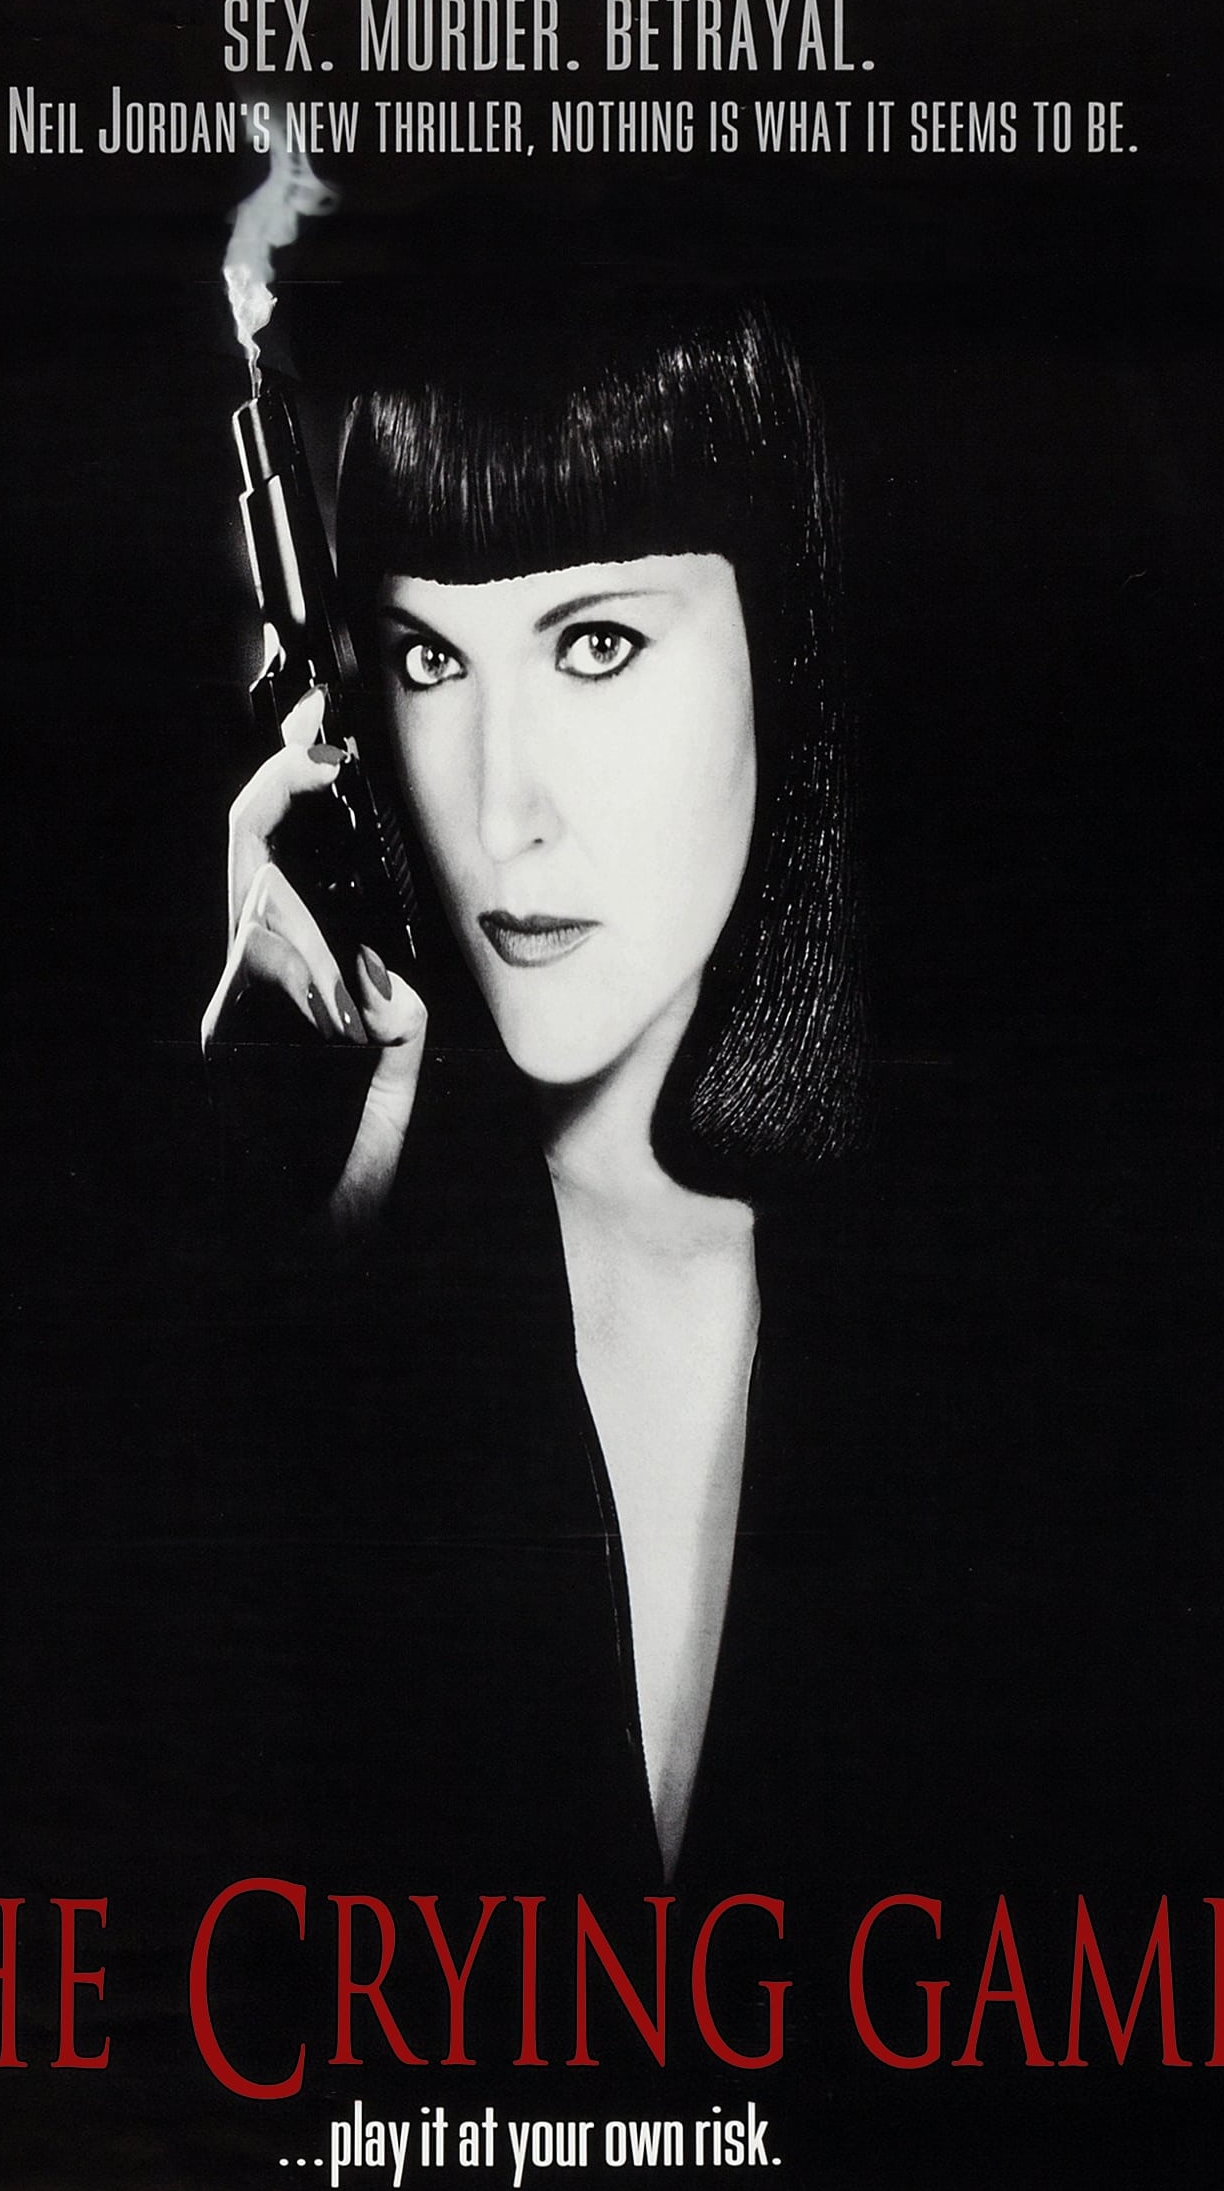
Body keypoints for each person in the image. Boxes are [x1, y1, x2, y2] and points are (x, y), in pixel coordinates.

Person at [202, 291, 863, 1879]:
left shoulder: (1027, 1311)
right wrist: (298, 1233)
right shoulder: (366, 1284)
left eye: (597, 644)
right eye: (431, 658)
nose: (503, 808)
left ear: (779, 651)